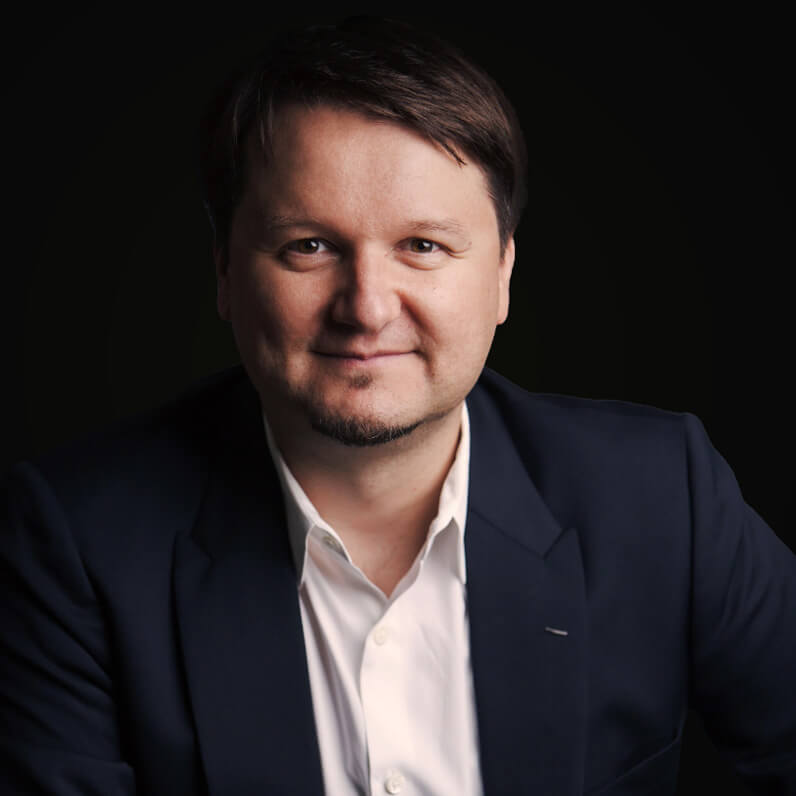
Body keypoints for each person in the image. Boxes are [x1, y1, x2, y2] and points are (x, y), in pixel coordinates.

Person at [1, 15, 794, 796]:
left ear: (503, 275)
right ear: (224, 273)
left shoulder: (663, 498)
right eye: (309, 246)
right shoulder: (74, 545)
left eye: (423, 246)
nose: (367, 308)